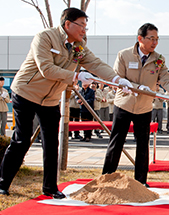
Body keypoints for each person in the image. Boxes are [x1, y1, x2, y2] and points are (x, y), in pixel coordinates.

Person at [0, 8, 131, 198]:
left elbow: (95, 63)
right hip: (27, 93)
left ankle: (50, 188)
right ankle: (3, 183)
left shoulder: (79, 45)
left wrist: (117, 79)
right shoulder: (45, 37)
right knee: (22, 139)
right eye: (82, 25)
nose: (85, 30)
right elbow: (46, 68)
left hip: (51, 99)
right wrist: (76, 75)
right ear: (67, 24)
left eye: (86, 26)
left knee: (52, 142)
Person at [102, 23, 169, 186]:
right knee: (116, 142)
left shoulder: (158, 59)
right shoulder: (124, 55)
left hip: (144, 108)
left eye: (157, 39)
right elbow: (117, 78)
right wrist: (138, 88)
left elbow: (166, 78)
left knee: (143, 145)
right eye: (151, 38)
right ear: (140, 39)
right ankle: (106, 179)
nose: (155, 42)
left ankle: (141, 182)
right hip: (123, 104)